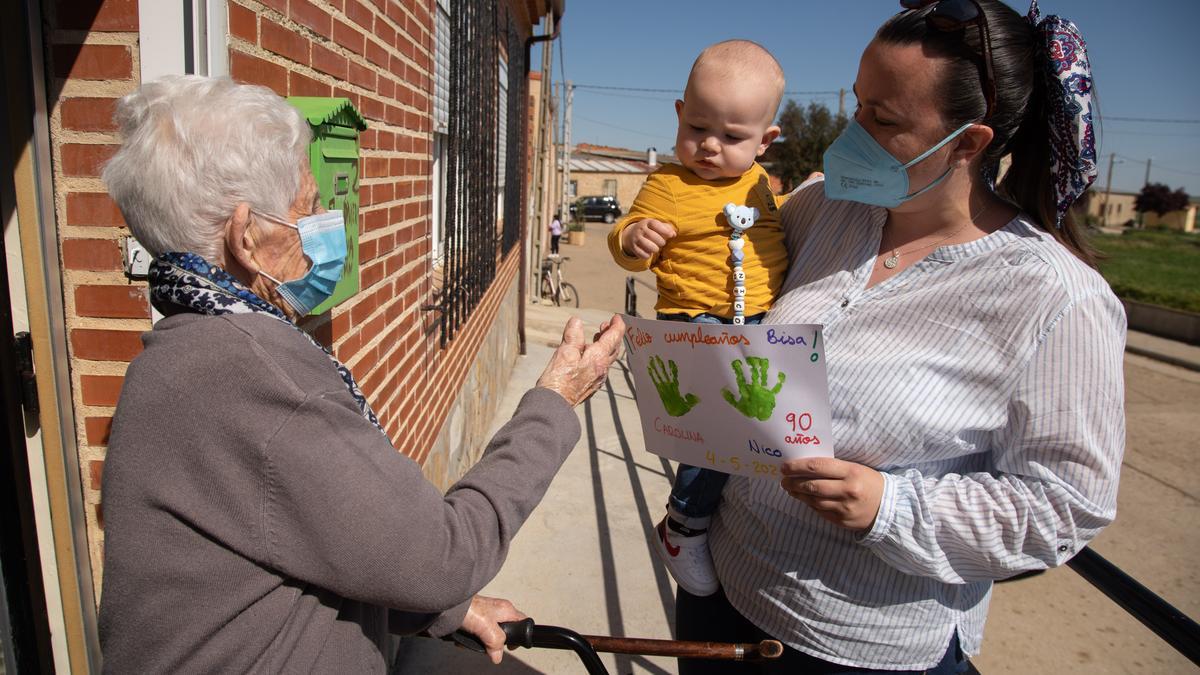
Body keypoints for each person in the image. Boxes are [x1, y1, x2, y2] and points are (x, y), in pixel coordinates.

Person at [96, 75, 625, 673]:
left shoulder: (179, 349)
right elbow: (440, 557)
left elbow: (307, 549)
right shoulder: (257, 375)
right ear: (248, 236)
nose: (330, 220)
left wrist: (447, 612)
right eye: (310, 204)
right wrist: (554, 402)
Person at [677, 1, 1125, 673]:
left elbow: (1066, 504)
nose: (850, 131)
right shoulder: (820, 208)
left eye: (882, 119)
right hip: (719, 589)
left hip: (855, 649)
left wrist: (890, 507)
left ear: (970, 143)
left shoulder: (1057, 296)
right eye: (858, 103)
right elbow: (740, 327)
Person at [606, 40, 790, 598]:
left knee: (762, 429)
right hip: (695, 324)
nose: (710, 146)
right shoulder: (666, 183)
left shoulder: (761, 185)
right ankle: (684, 522)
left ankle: (721, 511)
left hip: (759, 320)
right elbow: (624, 239)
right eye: (698, 128)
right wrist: (633, 239)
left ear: (765, 141)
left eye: (732, 137)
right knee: (721, 428)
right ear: (680, 114)